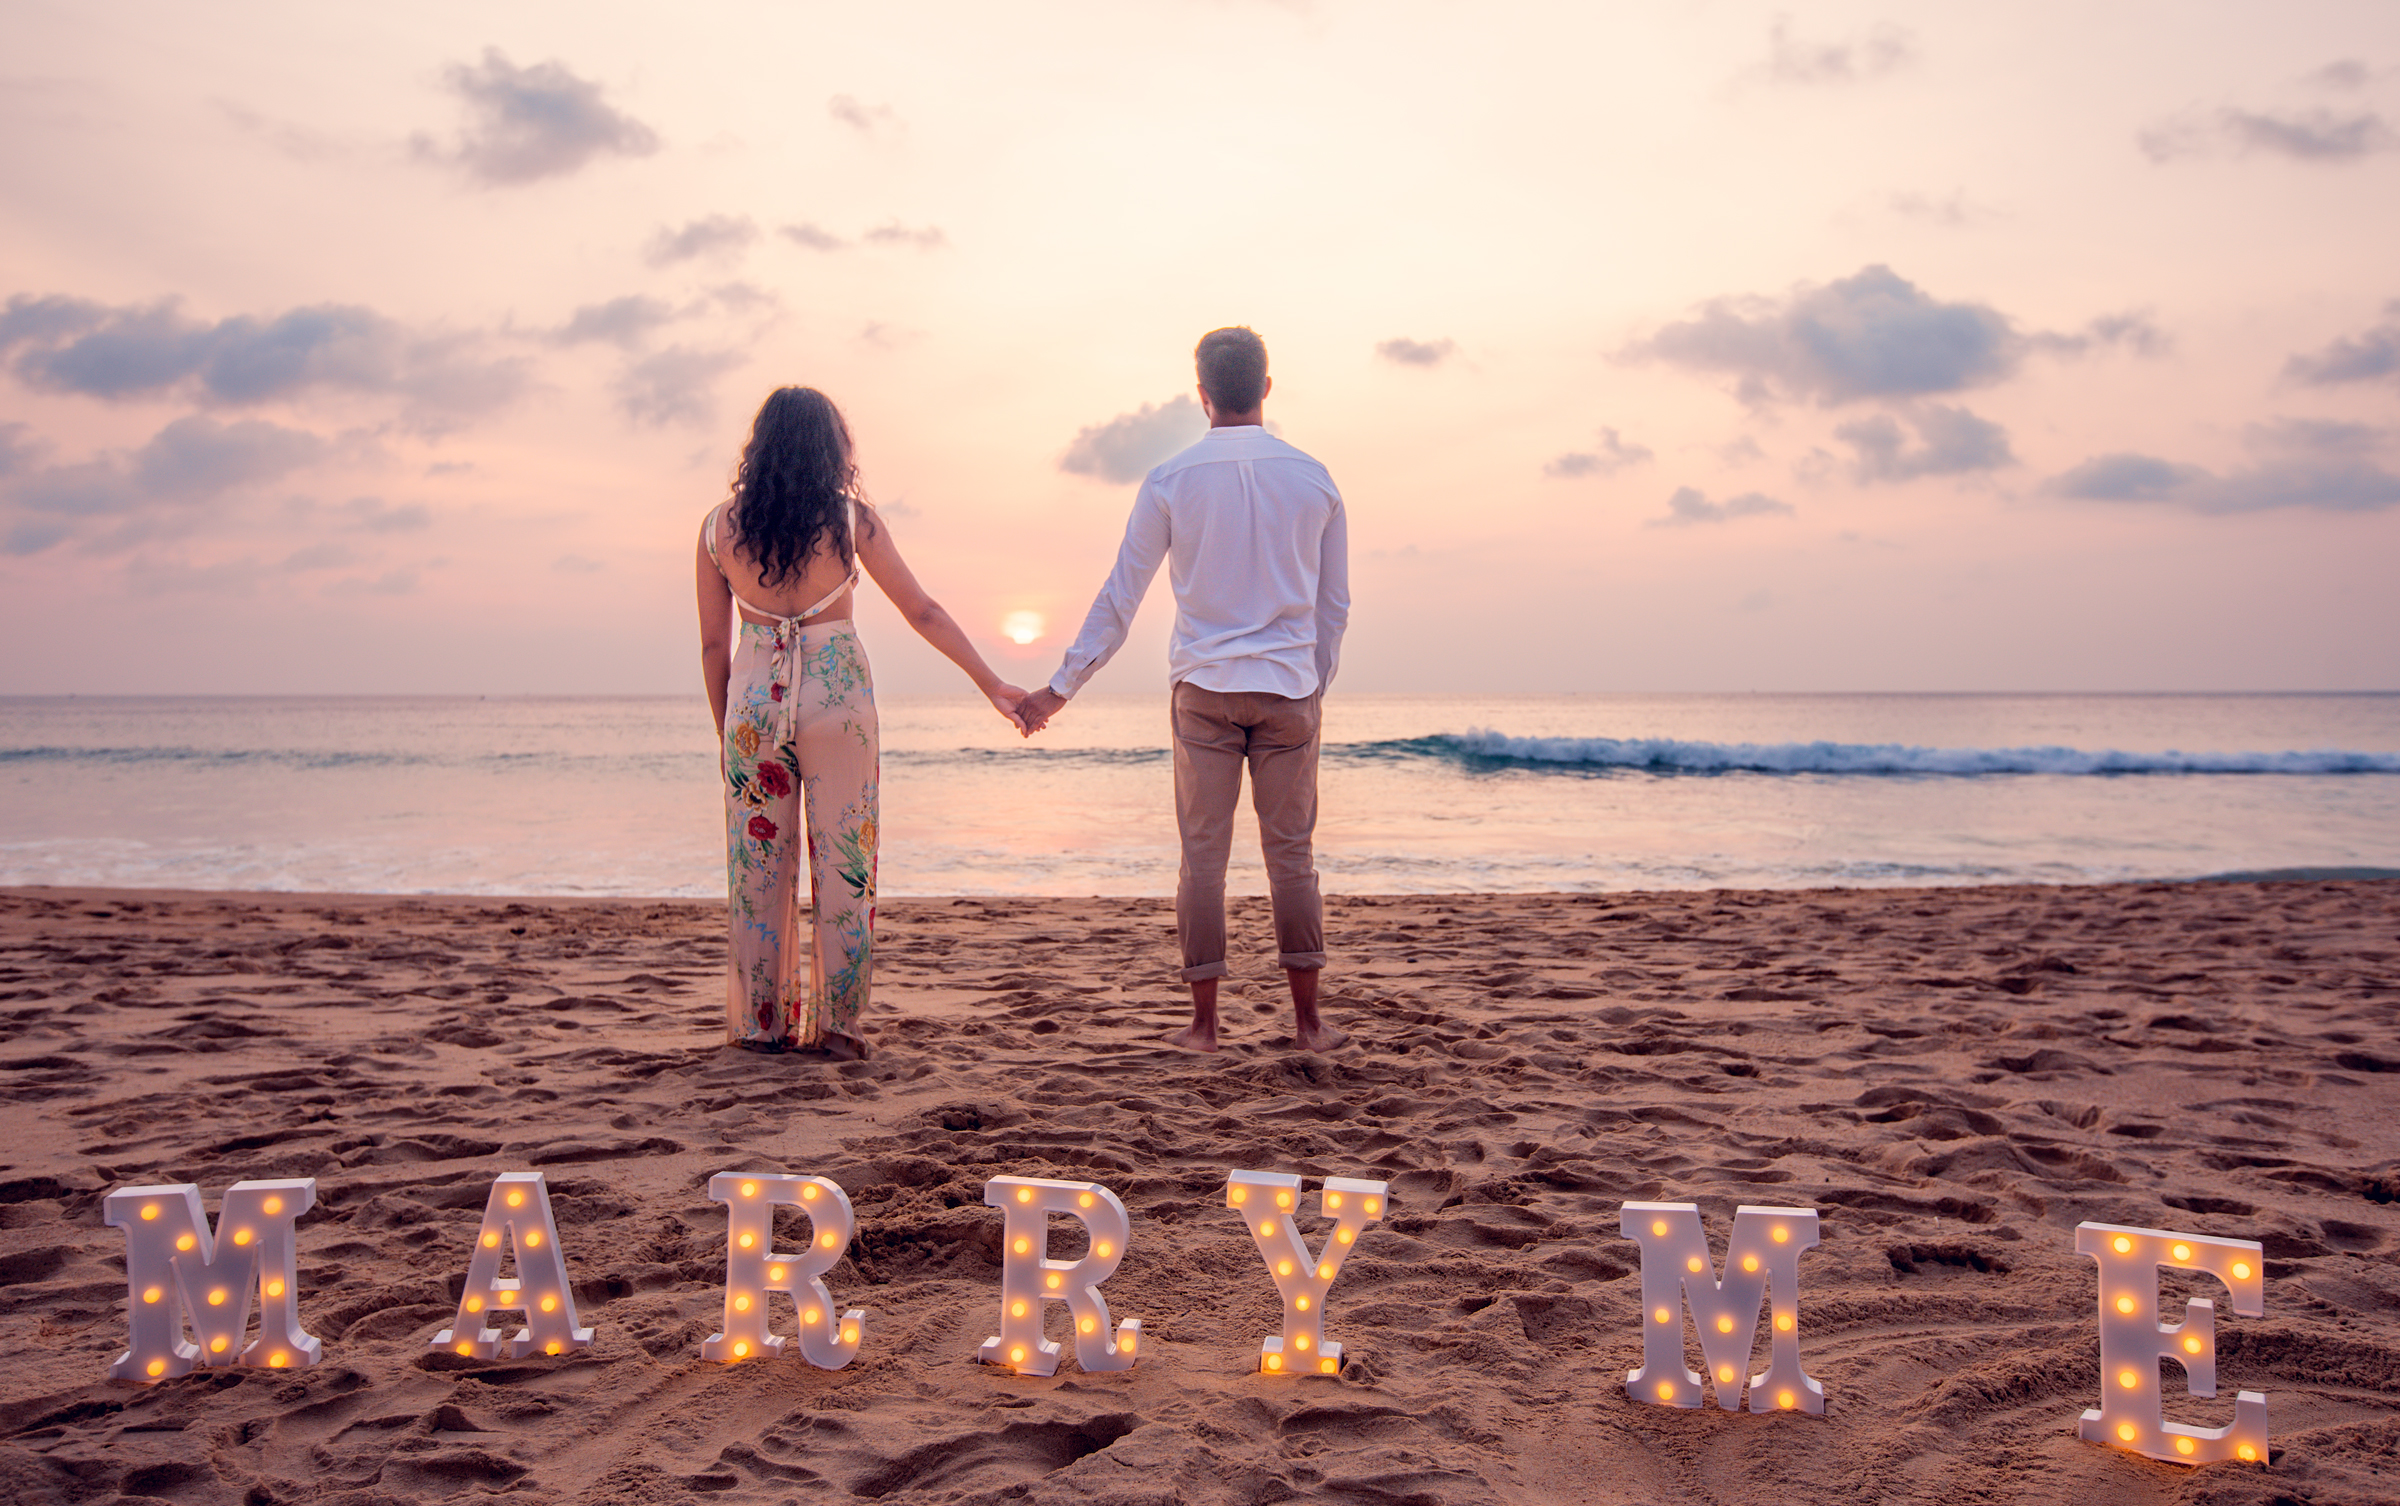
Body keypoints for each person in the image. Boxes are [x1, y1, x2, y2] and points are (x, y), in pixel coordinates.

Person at [1017, 327, 1349, 1053]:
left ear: (1202, 395)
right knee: (1290, 854)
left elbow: (1121, 597)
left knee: (1204, 858)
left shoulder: (1172, 479)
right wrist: (1311, 682)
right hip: (1288, 689)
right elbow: (1335, 605)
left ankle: (1204, 1027)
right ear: (1266, 386)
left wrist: (1058, 689)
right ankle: (1309, 1024)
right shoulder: (1314, 478)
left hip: (1203, 689)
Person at [697, 387, 1026, 1058]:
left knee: (758, 865)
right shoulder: (852, 522)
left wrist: (729, 729)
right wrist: (993, 684)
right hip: (837, 690)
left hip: (754, 696)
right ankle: (839, 1029)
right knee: (846, 862)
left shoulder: (718, 527)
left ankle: (762, 1026)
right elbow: (924, 610)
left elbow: (711, 646)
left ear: (758, 447)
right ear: (831, 448)